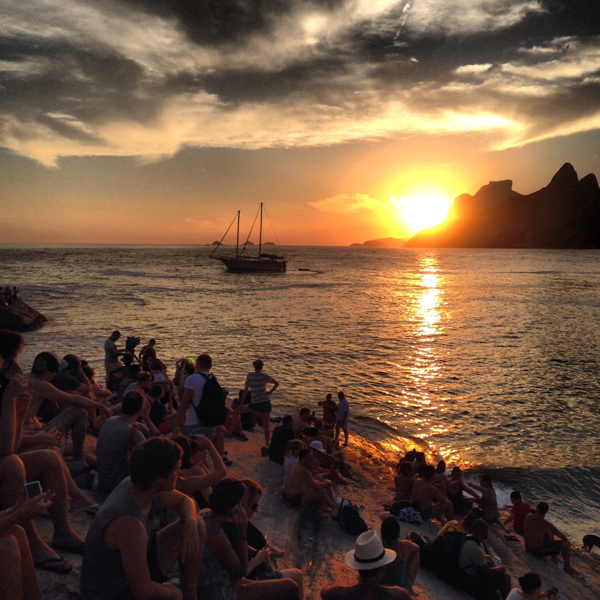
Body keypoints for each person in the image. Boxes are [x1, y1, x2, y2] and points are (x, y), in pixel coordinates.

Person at [81, 437, 205, 600]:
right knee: (173, 595)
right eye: (176, 470)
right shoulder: (130, 523)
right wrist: (174, 594)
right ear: (159, 478)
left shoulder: (138, 485)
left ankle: (191, 596)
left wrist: (190, 522)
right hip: (112, 593)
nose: (180, 473)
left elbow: (184, 501)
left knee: (197, 524)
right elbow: (143, 592)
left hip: (129, 570)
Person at [198, 478, 300, 600]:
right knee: (290, 586)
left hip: (221, 580)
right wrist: (242, 531)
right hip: (219, 591)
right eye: (243, 503)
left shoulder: (205, 514)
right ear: (236, 508)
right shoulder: (216, 535)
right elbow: (241, 570)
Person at [173, 354, 230, 465]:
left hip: (193, 423)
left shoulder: (192, 379)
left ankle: (202, 479)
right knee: (203, 457)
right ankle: (208, 479)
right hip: (209, 424)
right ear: (210, 366)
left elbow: (185, 403)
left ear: (197, 365)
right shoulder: (213, 380)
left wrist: (176, 425)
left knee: (192, 459)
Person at [321, 530, 410, 600]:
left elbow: (325, 591)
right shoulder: (399, 595)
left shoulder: (337, 594)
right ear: (382, 570)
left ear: (358, 568)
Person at [96, 391, 147, 494]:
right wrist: (148, 420)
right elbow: (149, 459)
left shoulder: (110, 421)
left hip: (102, 480)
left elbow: (96, 423)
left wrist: (114, 408)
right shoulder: (134, 434)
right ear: (141, 410)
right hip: (115, 486)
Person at [231, 360, 279, 452]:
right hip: (265, 401)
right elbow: (276, 383)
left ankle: (231, 432)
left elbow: (246, 391)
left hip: (255, 403)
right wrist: (270, 392)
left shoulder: (250, 376)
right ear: (262, 367)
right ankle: (267, 444)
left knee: (237, 411)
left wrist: (241, 402)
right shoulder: (265, 376)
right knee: (266, 425)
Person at [457, 519, 512, 599]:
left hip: (464, 573)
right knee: (505, 577)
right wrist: (500, 568)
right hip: (470, 580)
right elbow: (487, 571)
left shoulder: (468, 539)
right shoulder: (475, 547)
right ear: (483, 532)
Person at [524, 502, 577, 574]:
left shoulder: (529, 516)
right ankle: (567, 567)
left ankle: (554, 557)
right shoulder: (547, 525)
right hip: (536, 551)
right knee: (565, 543)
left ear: (537, 509)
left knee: (548, 533)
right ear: (546, 512)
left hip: (527, 546)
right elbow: (563, 537)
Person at [284, 448, 336, 516]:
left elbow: (312, 479)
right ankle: (333, 509)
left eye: (312, 458)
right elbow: (317, 486)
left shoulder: (296, 463)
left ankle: (325, 507)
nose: (311, 460)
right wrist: (328, 482)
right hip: (294, 499)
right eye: (309, 459)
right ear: (302, 459)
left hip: (290, 494)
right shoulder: (304, 470)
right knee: (321, 491)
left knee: (318, 479)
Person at [380, 516, 420, 595]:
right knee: (416, 555)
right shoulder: (403, 545)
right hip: (400, 591)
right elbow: (417, 548)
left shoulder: (378, 545)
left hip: (381, 586)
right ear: (398, 534)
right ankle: (410, 589)